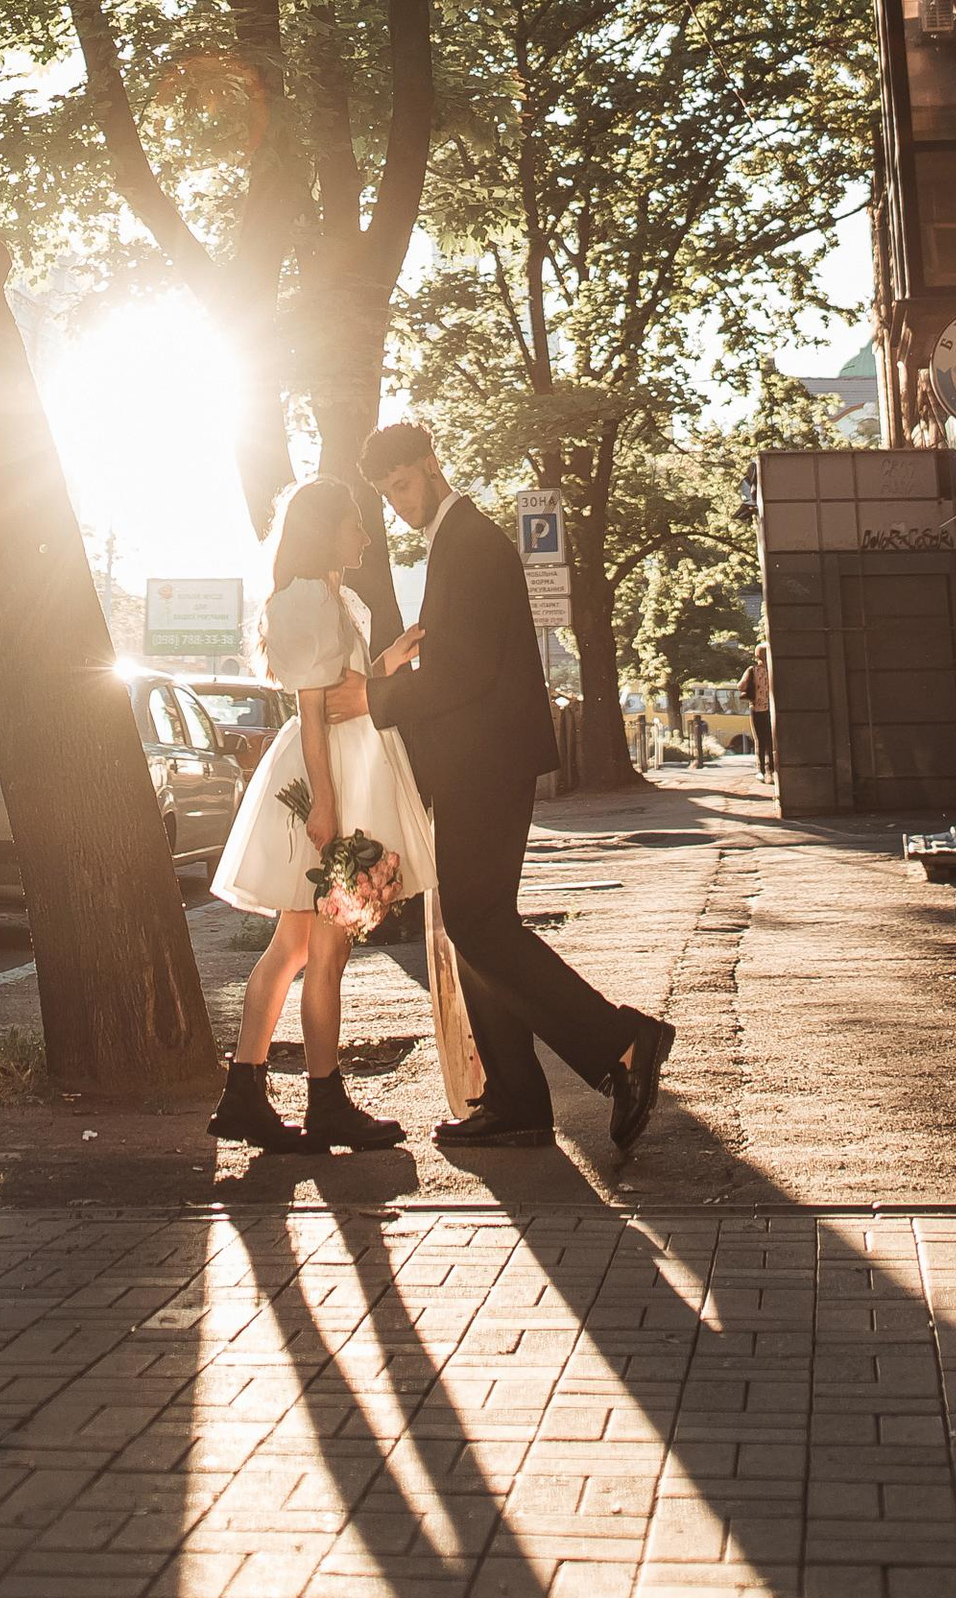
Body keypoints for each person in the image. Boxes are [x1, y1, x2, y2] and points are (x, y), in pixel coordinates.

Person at [331, 419, 674, 1158]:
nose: (398, 506)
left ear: (431, 465)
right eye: (387, 498)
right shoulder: (456, 546)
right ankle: (518, 1100)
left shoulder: (472, 545)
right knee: (477, 925)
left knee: (482, 925)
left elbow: (466, 673)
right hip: (476, 762)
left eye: (401, 487)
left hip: (486, 763)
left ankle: (622, 1042)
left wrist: (376, 699)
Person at [206, 477, 417, 1157]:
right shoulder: (303, 598)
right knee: (323, 951)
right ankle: (324, 1103)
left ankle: (245, 1094)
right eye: (354, 522)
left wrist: (387, 663)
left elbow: (341, 691)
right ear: (324, 530)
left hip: (339, 771)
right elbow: (311, 710)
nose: (364, 533)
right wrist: (326, 804)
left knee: (296, 947)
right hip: (325, 780)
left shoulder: (333, 596)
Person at [741, 644, 773, 781]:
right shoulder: (773, 670)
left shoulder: (752, 670)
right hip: (772, 710)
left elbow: (741, 685)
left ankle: (760, 770)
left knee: (760, 739)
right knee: (772, 740)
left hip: (757, 708)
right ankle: (771, 768)